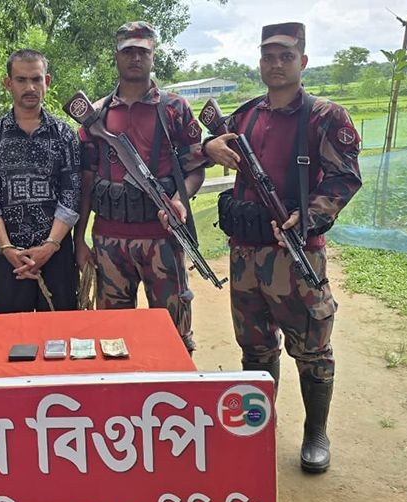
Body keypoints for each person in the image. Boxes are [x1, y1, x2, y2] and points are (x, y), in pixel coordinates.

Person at [204, 22, 363, 473]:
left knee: (312, 348)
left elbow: (344, 178)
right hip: (245, 254)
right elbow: (210, 145)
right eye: (268, 57)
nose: (276, 64)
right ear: (260, 62)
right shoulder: (246, 116)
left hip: (297, 253)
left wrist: (308, 216)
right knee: (255, 349)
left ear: (303, 61)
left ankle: (315, 433)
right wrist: (210, 145)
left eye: (286, 56)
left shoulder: (325, 117)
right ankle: (257, 430)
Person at [74, 21, 207, 353]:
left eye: (142, 52)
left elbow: (195, 169)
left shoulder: (175, 109)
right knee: (112, 338)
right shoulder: (97, 114)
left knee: (174, 337)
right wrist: (79, 239)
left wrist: (179, 200)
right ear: (116, 56)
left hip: (164, 238)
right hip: (109, 241)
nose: (135, 58)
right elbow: (86, 181)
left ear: (153, 56)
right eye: (128, 51)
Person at [0, 49, 81, 314]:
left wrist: (49, 246)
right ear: (8, 83)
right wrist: (7, 248)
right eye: (21, 80)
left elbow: (71, 195)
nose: (30, 87)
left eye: (36, 79)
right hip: (9, 256)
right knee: (11, 333)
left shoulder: (64, 135)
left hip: (56, 254)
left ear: (47, 81)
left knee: (60, 332)